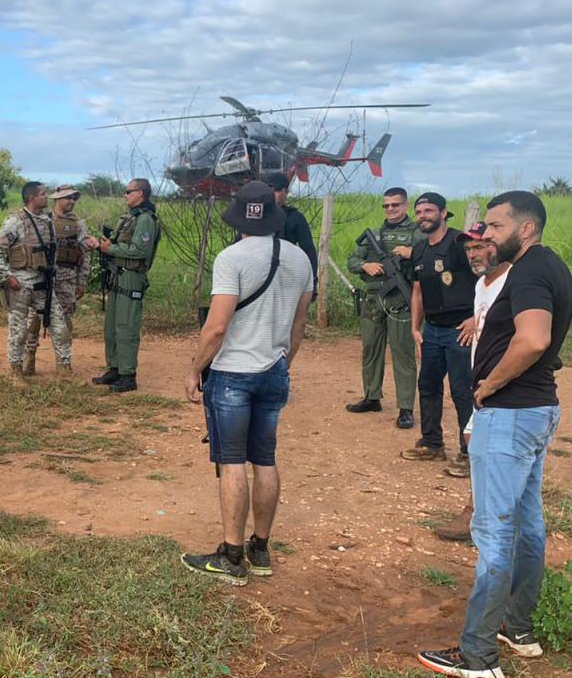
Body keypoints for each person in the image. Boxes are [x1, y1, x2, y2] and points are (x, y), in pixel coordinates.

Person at [419, 191, 572, 678]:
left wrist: (489, 383)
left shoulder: (529, 271)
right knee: (527, 522)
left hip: (510, 413)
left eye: (494, 226)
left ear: (525, 229)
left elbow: (533, 339)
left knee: (494, 531)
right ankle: (518, 628)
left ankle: (479, 654)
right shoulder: (551, 267)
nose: (485, 234)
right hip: (536, 409)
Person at [180, 182, 313, 585]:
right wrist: (282, 361)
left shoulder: (231, 257)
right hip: (274, 368)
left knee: (232, 461)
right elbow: (300, 324)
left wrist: (193, 369)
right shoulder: (300, 259)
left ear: (238, 217)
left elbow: (217, 327)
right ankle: (260, 548)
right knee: (265, 459)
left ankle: (232, 556)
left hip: (233, 372)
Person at [433, 222, 511, 542]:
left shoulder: (512, 283)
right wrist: (474, 319)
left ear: (497, 246)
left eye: (480, 246)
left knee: (491, 451)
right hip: (483, 380)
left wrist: (493, 382)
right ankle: (479, 511)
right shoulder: (482, 285)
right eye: (468, 249)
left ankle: (483, 517)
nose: (473, 254)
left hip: (500, 384)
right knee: (474, 442)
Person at [401, 193, 477, 471]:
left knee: (462, 392)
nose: (423, 215)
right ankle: (432, 444)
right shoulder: (420, 250)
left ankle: (470, 454)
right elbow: (418, 291)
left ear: (444, 213)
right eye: (419, 211)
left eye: (429, 210)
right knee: (428, 387)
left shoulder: (460, 244)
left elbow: (488, 280)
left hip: (461, 331)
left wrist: (475, 318)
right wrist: (414, 327)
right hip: (432, 331)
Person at [345, 186, 423, 428]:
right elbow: (352, 260)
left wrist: (412, 253)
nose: (390, 209)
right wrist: (365, 266)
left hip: (401, 300)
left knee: (403, 352)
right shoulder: (375, 234)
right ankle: (371, 396)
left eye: (395, 205)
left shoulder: (417, 233)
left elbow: (430, 257)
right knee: (371, 348)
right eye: (386, 205)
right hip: (373, 298)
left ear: (405, 206)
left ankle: (406, 408)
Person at [85, 178, 161, 393]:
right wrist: (102, 246)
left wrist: (110, 250)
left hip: (131, 276)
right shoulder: (130, 217)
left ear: (140, 193)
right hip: (118, 275)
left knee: (126, 326)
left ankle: (128, 375)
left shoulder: (146, 219)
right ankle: (115, 368)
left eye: (129, 191)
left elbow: (140, 251)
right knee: (112, 327)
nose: (125, 195)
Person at [0, 181, 55, 376]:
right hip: (21, 283)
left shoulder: (47, 221)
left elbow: (52, 252)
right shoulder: (16, 221)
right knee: (18, 328)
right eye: (43, 193)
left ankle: (52, 365)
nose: (46, 196)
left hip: (42, 282)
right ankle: (15, 369)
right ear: (32, 197)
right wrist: (8, 276)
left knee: (49, 324)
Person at [46, 185, 92, 372]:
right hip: (44, 277)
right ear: (57, 199)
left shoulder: (78, 224)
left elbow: (85, 253)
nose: (72, 201)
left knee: (65, 321)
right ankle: (28, 360)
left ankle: (63, 364)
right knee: (33, 321)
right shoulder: (42, 221)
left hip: (67, 278)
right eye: (68, 198)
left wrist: (82, 280)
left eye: (74, 198)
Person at [262, 171, 317, 291]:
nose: (271, 194)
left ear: (286, 192)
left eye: (275, 190)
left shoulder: (295, 218)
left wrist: (312, 281)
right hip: (258, 275)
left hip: (285, 276)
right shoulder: (256, 215)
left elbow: (308, 250)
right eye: (268, 190)